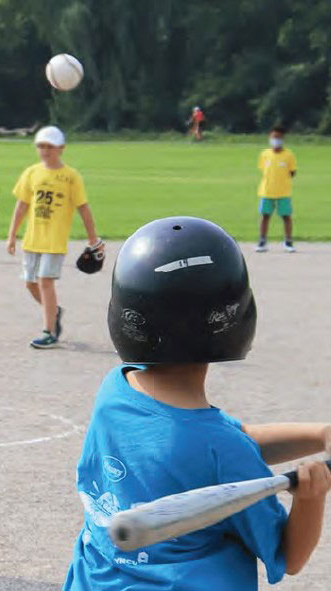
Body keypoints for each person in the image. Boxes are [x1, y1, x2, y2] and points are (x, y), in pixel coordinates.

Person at [64, 216, 331, 590]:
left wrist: (322, 434)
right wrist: (312, 497)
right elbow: (290, 556)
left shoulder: (115, 392)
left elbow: (226, 447)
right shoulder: (223, 450)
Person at [5, 125, 101, 349]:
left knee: (45, 282)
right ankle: (54, 311)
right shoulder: (31, 173)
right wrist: (11, 236)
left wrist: (93, 239)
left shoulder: (70, 177)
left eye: (50, 146)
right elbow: (22, 206)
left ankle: (49, 332)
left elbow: (83, 209)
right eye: (41, 146)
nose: (45, 151)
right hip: (32, 239)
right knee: (30, 283)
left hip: (54, 240)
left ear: (61, 148)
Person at [255, 125, 297, 253]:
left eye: (278, 137)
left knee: (286, 216)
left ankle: (288, 241)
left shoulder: (288, 155)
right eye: (273, 137)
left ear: (282, 139)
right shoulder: (265, 154)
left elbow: (292, 172)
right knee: (265, 216)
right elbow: (263, 169)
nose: (275, 140)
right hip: (267, 191)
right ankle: (262, 241)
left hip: (283, 192)